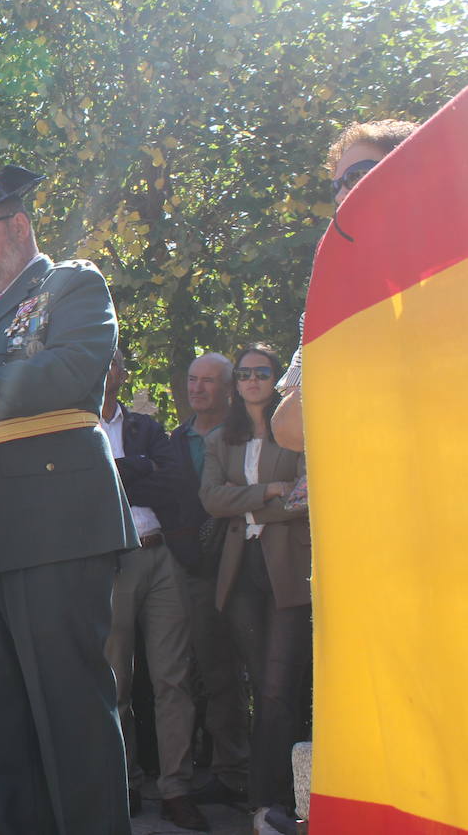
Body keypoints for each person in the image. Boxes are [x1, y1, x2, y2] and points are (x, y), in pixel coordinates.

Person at [0, 164, 136, 835]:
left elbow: (69, 370)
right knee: (6, 725)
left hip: (54, 523)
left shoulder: (70, 284)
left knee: (71, 710)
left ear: (18, 225)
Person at [200, 345, 309, 835]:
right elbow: (210, 498)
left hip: (288, 571)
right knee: (261, 686)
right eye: (243, 373)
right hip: (240, 571)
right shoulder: (221, 439)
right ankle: (267, 801)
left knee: (278, 688)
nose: (251, 380)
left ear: (276, 379)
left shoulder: (300, 433)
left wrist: (245, 505)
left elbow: (305, 496)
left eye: (261, 372)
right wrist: (267, 493)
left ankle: (272, 802)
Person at [98, 350, 207, 831]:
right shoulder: (75, 428)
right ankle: (124, 780)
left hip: (161, 555)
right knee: (115, 679)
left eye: (113, 364)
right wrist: (141, 470)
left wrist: (119, 470)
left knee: (173, 679)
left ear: (123, 374)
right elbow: (87, 492)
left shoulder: (146, 427)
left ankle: (176, 789)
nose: (105, 372)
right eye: (98, 363)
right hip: (110, 561)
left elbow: (174, 484)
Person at [271, 119, 418, 452]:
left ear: (413, 174)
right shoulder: (330, 302)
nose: (340, 195)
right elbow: (289, 429)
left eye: (356, 176)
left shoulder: (454, 274)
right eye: (336, 185)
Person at [169, 353, 250, 808]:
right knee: (206, 671)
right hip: (191, 567)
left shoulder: (246, 435)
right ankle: (222, 769)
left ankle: (241, 772)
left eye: (209, 381)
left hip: (241, 563)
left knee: (241, 670)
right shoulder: (176, 439)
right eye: (192, 379)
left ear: (229, 388)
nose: (197, 389)